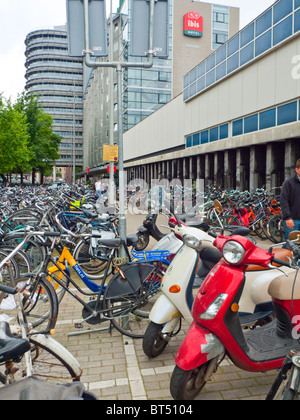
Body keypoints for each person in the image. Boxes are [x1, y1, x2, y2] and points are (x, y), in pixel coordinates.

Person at [280, 158, 300, 241]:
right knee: (292, 245)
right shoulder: (289, 183)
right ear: (296, 169)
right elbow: (283, 200)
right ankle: (280, 254)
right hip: (293, 220)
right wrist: (288, 217)